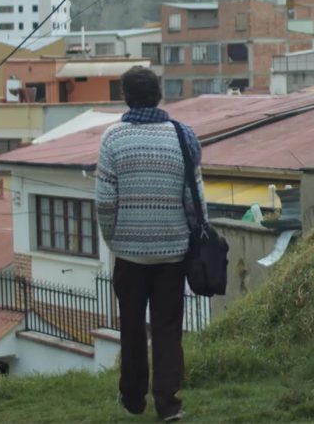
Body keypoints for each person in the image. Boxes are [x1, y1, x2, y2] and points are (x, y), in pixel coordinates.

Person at [96, 66, 206, 422]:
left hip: (128, 254)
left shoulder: (112, 139)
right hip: (172, 253)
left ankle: (132, 399)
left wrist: (114, 239)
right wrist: (190, 237)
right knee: (168, 328)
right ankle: (169, 403)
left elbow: (104, 201)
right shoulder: (182, 135)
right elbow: (196, 200)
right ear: (159, 95)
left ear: (126, 96)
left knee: (130, 326)